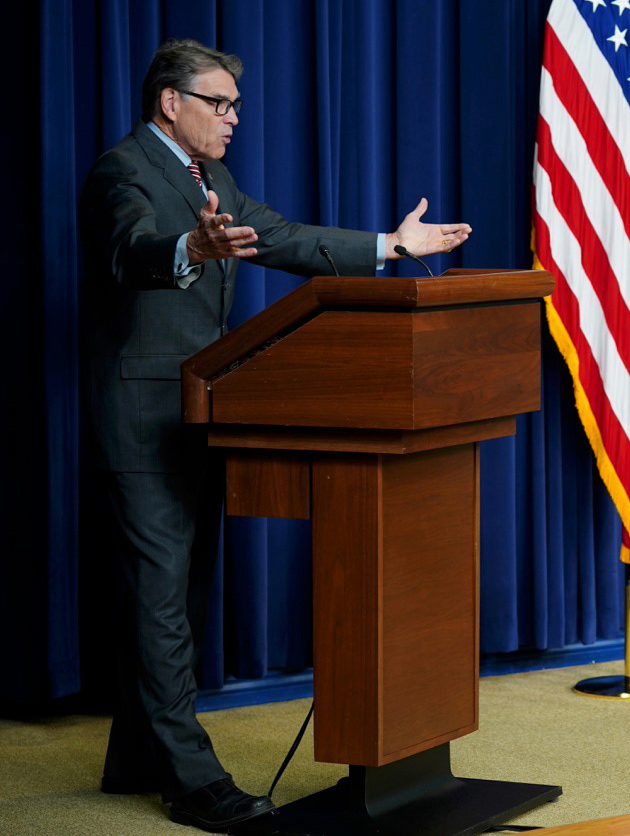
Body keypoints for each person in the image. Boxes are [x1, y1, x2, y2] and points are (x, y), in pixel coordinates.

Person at [78, 38, 471, 833]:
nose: (232, 119)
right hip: (141, 416)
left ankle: (136, 754)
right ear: (170, 103)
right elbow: (131, 249)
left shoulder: (213, 179)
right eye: (218, 104)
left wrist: (390, 249)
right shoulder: (123, 170)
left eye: (236, 106)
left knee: (180, 595)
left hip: (202, 410)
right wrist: (191, 246)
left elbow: (284, 237)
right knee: (160, 597)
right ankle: (191, 779)